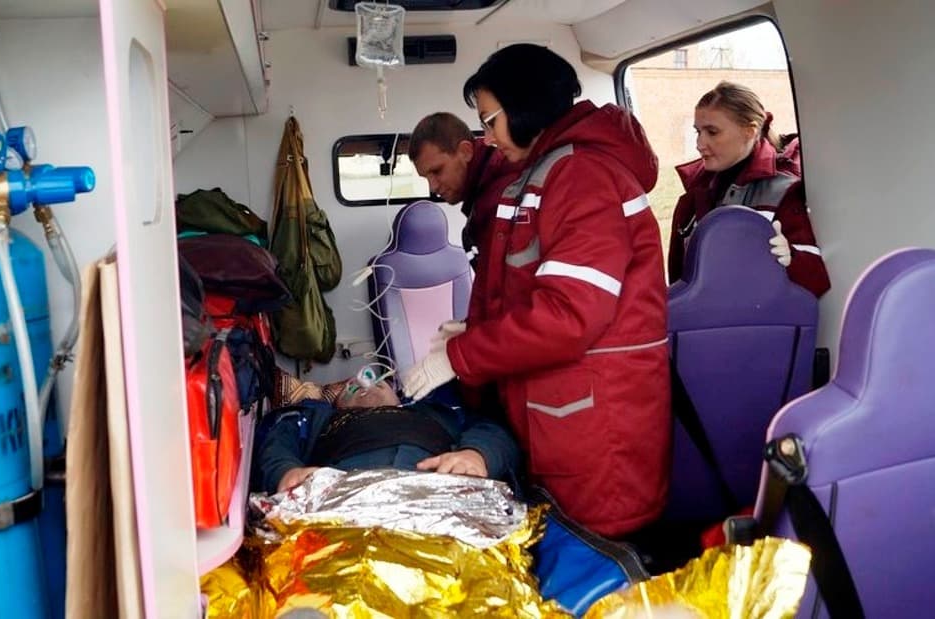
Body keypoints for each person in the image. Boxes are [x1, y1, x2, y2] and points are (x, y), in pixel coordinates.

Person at [402, 44, 670, 539]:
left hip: (595, 429)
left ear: (526, 107)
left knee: (602, 562)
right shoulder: (542, 174)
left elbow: (568, 316)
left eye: (491, 121)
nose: (486, 138)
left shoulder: (583, 176)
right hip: (561, 420)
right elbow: (528, 287)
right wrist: (474, 329)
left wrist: (463, 355)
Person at [668, 81, 830, 297]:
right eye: (698, 132)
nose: (700, 143)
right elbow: (678, 283)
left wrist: (791, 257)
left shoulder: (782, 192)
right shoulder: (693, 196)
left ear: (750, 131)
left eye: (712, 132)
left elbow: (817, 279)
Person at [257, 366, 520, 494]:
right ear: (337, 403)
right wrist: (286, 471)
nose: (365, 385)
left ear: (398, 396)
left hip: (438, 488)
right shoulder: (314, 418)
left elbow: (495, 431)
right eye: (351, 387)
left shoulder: (438, 412)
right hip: (343, 492)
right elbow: (276, 443)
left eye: (379, 382)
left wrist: (477, 454)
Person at [409, 112, 521, 272]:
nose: (433, 187)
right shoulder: (484, 198)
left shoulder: (502, 197)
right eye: (426, 177)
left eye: (437, 171)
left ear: (465, 152)